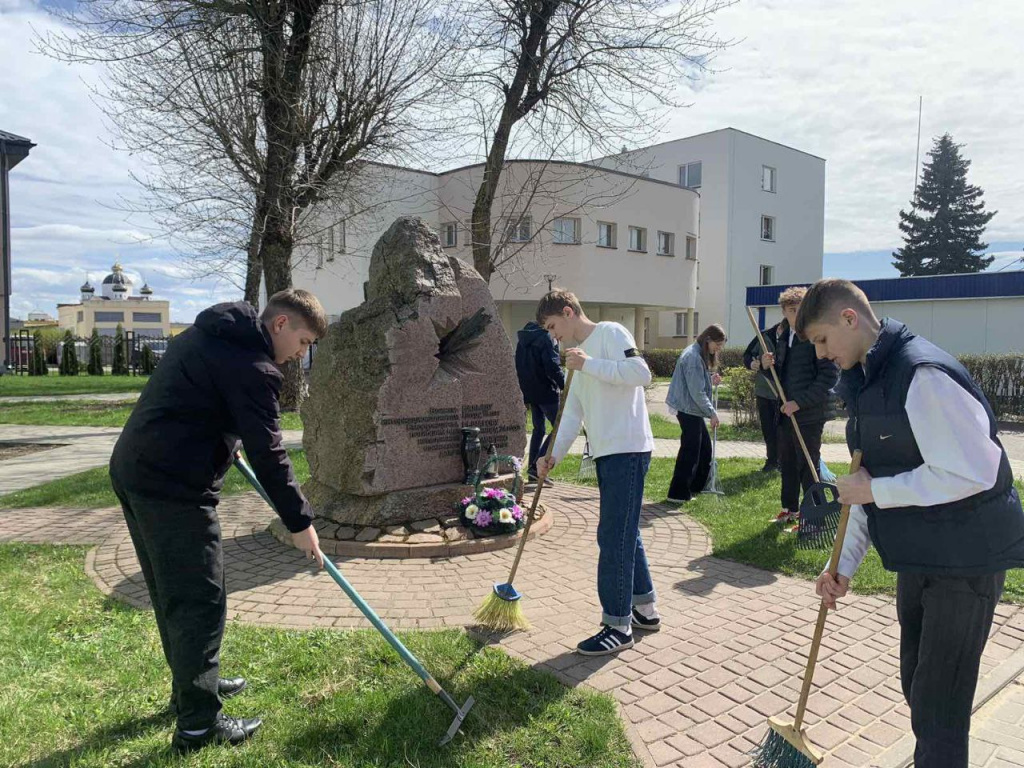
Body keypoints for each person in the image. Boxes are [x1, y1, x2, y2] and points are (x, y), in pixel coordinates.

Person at [798, 278, 1024, 768]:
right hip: (921, 555)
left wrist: (874, 490)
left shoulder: (923, 374)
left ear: (849, 319)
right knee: (917, 686)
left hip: (966, 561)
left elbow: (974, 472)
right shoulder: (865, 381)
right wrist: (845, 566)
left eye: (821, 339)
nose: (820, 354)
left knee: (940, 705)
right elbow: (864, 482)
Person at [109, 289, 328, 754]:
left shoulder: (216, 334)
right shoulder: (253, 368)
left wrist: (231, 436)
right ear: (281, 325)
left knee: (174, 594)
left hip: (137, 469)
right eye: (304, 342)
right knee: (200, 601)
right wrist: (300, 521)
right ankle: (197, 728)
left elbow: (203, 401)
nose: (300, 355)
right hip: (172, 488)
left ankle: (194, 686)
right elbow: (271, 454)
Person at [534, 290, 658, 655]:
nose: (553, 336)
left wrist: (589, 364)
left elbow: (642, 374)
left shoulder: (611, 333)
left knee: (613, 537)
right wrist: (550, 455)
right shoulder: (575, 364)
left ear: (569, 313)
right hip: (608, 454)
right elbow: (571, 414)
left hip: (630, 449)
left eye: (553, 326)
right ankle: (644, 609)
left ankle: (617, 625)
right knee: (625, 533)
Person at [762, 287, 839, 525]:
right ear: (784, 312)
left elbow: (829, 379)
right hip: (786, 412)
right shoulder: (784, 337)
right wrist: (767, 365)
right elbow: (780, 376)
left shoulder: (818, 337)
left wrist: (799, 402)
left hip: (809, 413)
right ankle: (790, 509)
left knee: (808, 464)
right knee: (787, 462)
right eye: (791, 310)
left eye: (800, 309)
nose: (796, 314)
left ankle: (814, 516)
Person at [665, 324, 726, 503]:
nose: (718, 349)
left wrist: (710, 378)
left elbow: (698, 381)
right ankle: (677, 493)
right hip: (687, 408)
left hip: (692, 408)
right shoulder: (692, 357)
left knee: (704, 448)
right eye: (718, 344)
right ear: (708, 340)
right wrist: (712, 413)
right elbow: (696, 391)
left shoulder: (697, 353)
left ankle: (695, 487)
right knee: (690, 450)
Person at [514, 320, 565, 483]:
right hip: (546, 391)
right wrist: (564, 385)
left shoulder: (523, 339)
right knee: (560, 426)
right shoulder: (545, 338)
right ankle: (537, 466)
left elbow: (518, 364)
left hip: (529, 391)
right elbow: (552, 366)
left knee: (539, 429)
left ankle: (531, 471)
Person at [742, 322, 781, 472]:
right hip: (764, 391)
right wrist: (752, 363)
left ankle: (783, 462)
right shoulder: (763, 336)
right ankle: (771, 462)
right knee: (768, 429)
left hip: (783, 394)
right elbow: (747, 355)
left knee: (782, 430)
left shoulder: (792, 339)